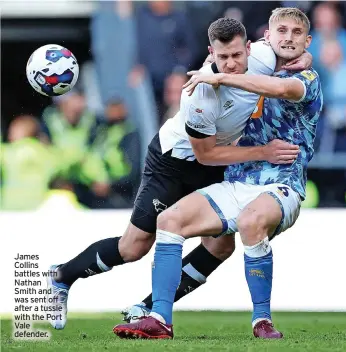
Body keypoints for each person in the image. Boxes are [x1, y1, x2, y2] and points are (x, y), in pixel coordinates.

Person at [46, 17, 303, 330]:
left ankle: (150, 308)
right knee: (134, 248)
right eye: (223, 58)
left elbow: (292, 49)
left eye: (237, 55)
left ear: (250, 48)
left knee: (221, 245)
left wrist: (306, 58)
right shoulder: (199, 94)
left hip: (216, 161)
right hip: (175, 162)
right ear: (211, 53)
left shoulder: (264, 56)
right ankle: (61, 276)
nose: (231, 64)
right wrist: (263, 152)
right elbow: (205, 155)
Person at [113, 7, 323, 340]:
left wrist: (217, 75)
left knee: (251, 221)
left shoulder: (305, 79)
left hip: (282, 183)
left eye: (297, 34)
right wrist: (214, 74)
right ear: (265, 39)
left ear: (307, 41)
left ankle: (262, 321)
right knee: (169, 221)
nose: (289, 38)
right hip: (237, 180)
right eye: (281, 31)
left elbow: (279, 90)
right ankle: (159, 318)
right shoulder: (252, 62)